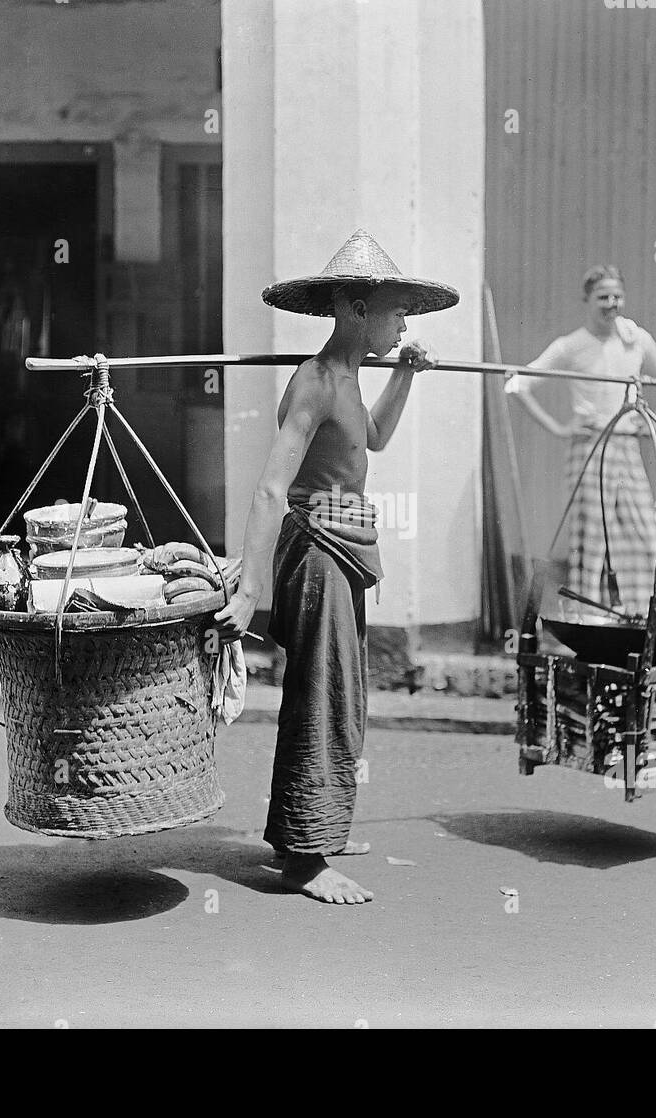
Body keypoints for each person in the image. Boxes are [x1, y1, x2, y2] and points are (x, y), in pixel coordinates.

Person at [213, 230, 457, 905]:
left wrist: (405, 375)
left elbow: (372, 437)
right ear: (354, 308)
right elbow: (270, 489)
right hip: (318, 553)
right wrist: (249, 589)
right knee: (321, 697)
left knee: (343, 694)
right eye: (395, 311)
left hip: (346, 549)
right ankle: (304, 859)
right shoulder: (317, 383)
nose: (403, 323)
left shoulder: (352, 378)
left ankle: (320, 824)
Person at [505, 265, 656, 612]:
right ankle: (590, 618)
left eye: (617, 296)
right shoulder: (571, 345)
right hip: (588, 449)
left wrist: (653, 421)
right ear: (587, 299)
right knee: (593, 541)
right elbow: (516, 383)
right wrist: (559, 427)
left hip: (627, 446)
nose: (612, 303)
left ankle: (646, 616)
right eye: (603, 297)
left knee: (645, 534)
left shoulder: (636, 339)